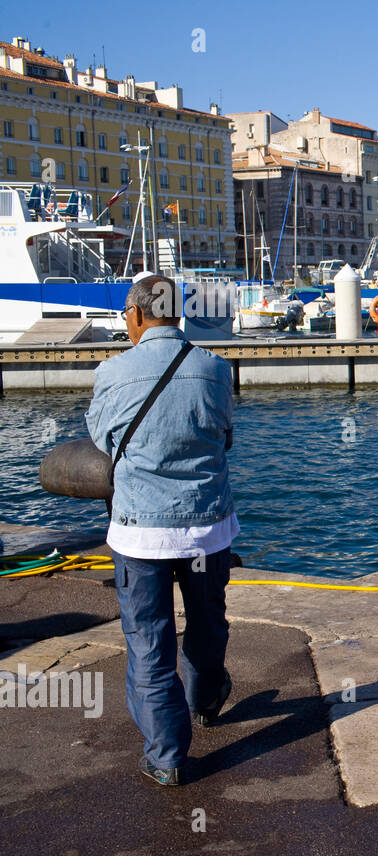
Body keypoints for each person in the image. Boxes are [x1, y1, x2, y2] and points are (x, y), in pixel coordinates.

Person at [85, 274, 238, 786]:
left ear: (134, 316)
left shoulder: (113, 371)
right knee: (207, 621)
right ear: (179, 314)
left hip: (139, 532)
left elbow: (105, 441)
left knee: (150, 641)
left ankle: (167, 756)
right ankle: (206, 697)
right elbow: (225, 435)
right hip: (205, 529)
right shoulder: (216, 369)